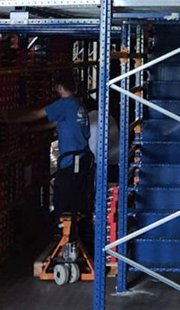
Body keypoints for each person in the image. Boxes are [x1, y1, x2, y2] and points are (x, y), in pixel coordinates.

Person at [15, 72, 92, 225]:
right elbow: (55, 123)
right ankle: (76, 229)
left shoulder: (64, 104)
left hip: (71, 161)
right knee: (77, 198)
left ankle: (64, 230)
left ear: (59, 87)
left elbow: (37, 114)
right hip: (82, 158)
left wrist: (11, 119)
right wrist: (29, 130)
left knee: (62, 199)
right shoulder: (77, 105)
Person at [87, 104, 120, 184]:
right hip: (115, 162)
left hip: (100, 162)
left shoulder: (91, 117)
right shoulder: (110, 118)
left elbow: (92, 145)